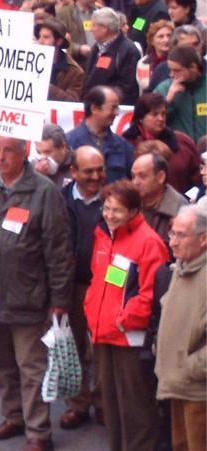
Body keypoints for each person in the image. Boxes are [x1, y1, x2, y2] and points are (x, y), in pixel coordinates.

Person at [0, 136, 73, 451]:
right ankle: (13, 416)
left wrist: (59, 299)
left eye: (8, 150)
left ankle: (38, 432)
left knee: (31, 368)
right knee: (0, 364)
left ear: (24, 151)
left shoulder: (43, 191)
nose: (0, 157)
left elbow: (58, 250)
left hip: (26, 295)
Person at [85, 181, 167, 451]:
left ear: (133, 211)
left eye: (117, 210)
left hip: (129, 337)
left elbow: (150, 293)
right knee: (112, 403)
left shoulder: (148, 242)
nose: (109, 215)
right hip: (103, 332)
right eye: (107, 208)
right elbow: (101, 279)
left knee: (136, 406)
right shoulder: (105, 235)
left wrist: (125, 318)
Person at [59, 146, 108, 429]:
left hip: (105, 287)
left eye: (99, 169)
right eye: (88, 171)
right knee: (72, 347)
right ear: (73, 172)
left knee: (102, 348)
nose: (95, 176)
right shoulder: (60, 200)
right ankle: (78, 404)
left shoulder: (114, 199)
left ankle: (103, 403)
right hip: (71, 285)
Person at [155, 205, 206, 451]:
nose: (173, 242)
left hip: (198, 391)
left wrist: (188, 367)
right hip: (176, 383)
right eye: (171, 234)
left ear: (203, 239)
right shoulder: (182, 266)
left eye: (180, 235)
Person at [123, 93, 199, 194]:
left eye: (163, 114)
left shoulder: (183, 142)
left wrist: (189, 198)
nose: (161, 119)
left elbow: (198, 178)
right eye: (155, 114)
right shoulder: (125, 145)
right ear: (141, 118)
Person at [67, 86, 134, 184]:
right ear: (94, 108)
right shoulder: (69, 142)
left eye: (117, 108)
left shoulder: (124, 147)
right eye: (113, 108)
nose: (116, 113)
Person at [84, 7, 143, 105]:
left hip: (111, 109)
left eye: (93, 25)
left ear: (104, 28)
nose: (91, 29)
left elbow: (128, 88)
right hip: (94, 106)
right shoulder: (96, 47)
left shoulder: (128, 50)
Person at [132, 152, 189, 246]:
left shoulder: (179, 209)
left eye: (142, 176)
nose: (135, 182)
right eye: (133, 176)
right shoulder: (130, 204)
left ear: (160, 177)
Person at [153, 46, 206, 141]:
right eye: (170, 70)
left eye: (176, 70)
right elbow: (149, 120)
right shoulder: (164, 88)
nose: (171, 74)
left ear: (193, 67)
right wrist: (168, 100)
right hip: (178, 149)